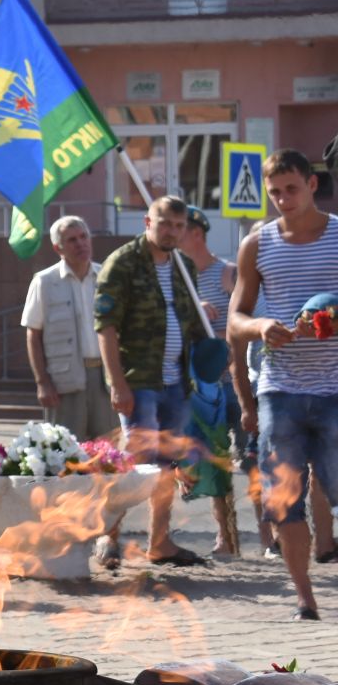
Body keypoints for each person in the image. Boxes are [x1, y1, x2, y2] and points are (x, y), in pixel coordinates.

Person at [228, 150, 338, 620]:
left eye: (290, 189)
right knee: (284, 503)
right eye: (274, 192)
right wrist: (261, 326)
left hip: (335, 390)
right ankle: (305, 600)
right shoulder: (257, 244)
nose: (281, 199)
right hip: (280, 390)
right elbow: (235, 320)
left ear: (312, 184)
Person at [95, 194, 210, 567]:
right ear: (147, 222)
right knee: (133, 463)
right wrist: (117, 383)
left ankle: (159, 542)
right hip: (138, 380)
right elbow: (106, 327)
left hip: (176, 383)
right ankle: (108, 536)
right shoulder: (122, 263)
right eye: (165, 223)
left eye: (179, 226)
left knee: (167, 466)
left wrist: (204, 321)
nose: (172, 232)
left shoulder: (184, 267)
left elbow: (190, 323)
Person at [179, 206, 240, 555]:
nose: (174, 237)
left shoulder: (226, 273)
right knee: (209, 457)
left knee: (248, 458)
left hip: (231, 382)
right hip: (198, 386)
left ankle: (265, 539)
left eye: (180, 230)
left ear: (197, 234)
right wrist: (196, 310)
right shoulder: (177, 277)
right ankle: (224, 537)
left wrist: (221, 344)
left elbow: (240, 324)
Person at [21, 216, 110, 438]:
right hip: (65, 381)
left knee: (107, 454)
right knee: (66, 454)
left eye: (83, 237)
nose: (80, 243)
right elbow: (33, 334)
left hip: (105, 379)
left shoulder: (107, 277)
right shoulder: (44, 281)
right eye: (72, 240)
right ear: (57, 247)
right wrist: (42, 383)